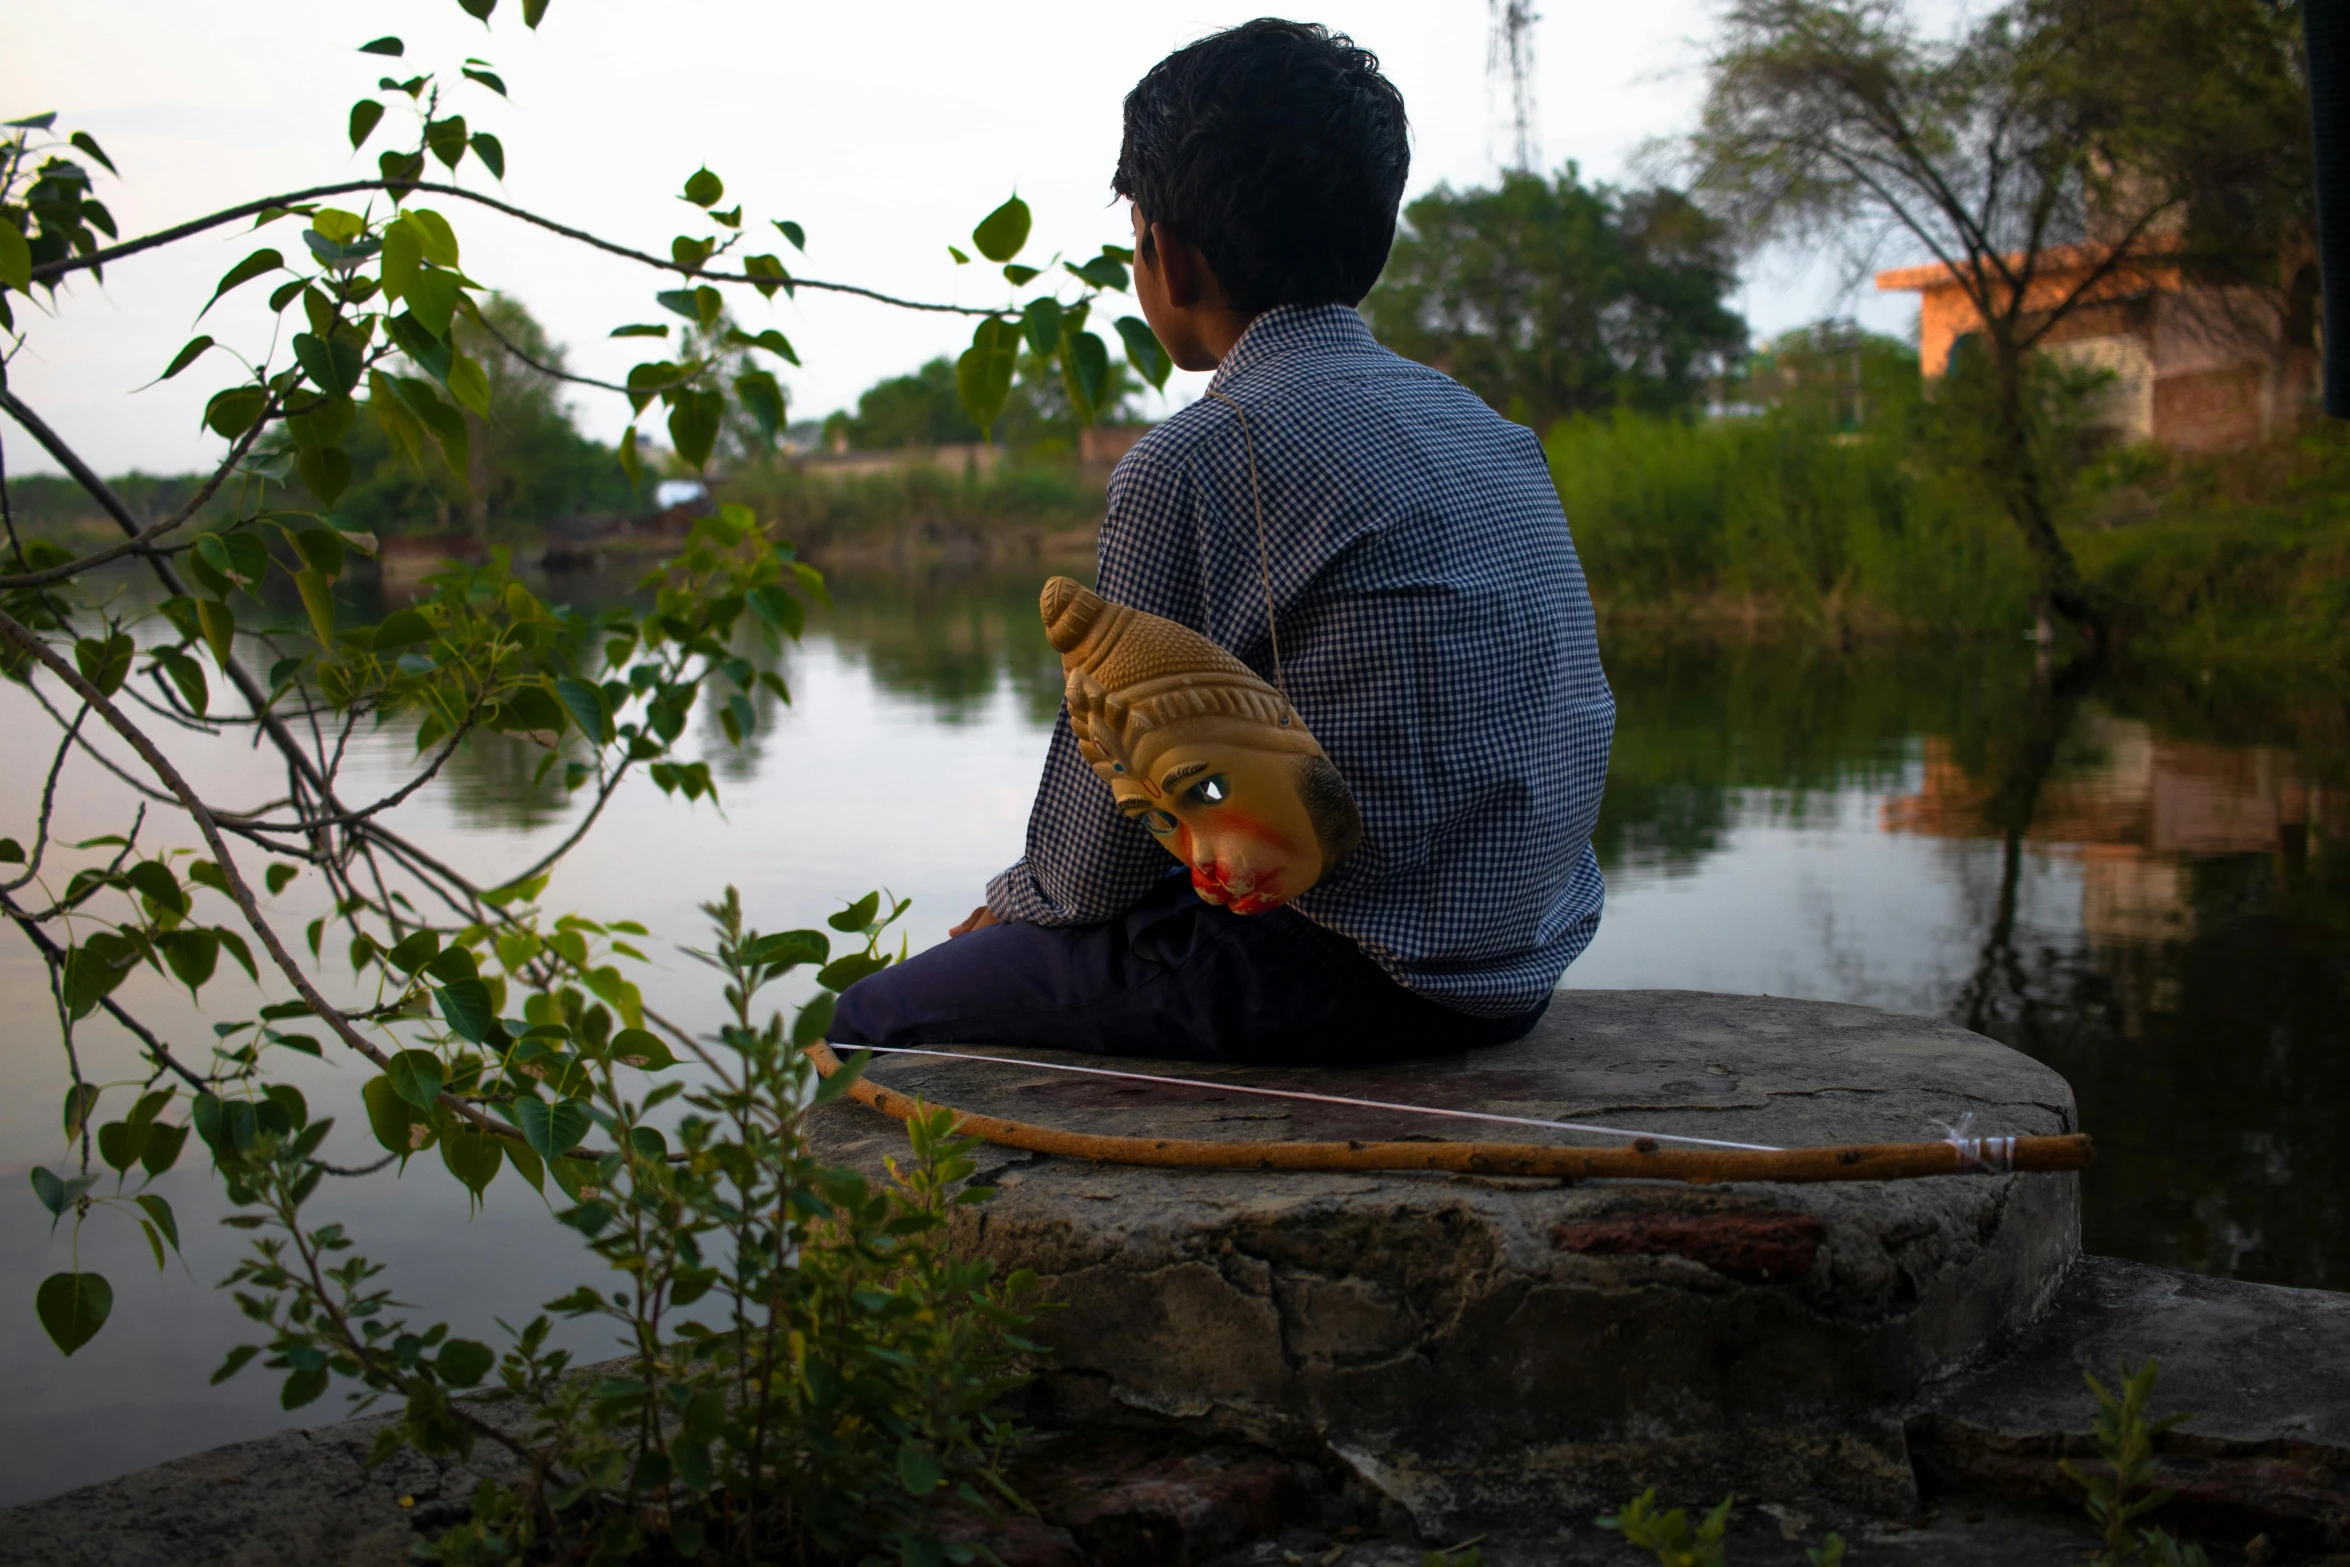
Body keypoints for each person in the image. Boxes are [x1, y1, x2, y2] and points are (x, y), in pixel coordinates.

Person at [827, 18, 1615, 1065]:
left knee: (876, 1018)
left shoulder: (1197, 459)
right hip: (1520, 958)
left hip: (1359, 972)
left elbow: (1090, 856)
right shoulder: (1483, 428)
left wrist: (1016, 910)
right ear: (1367, 236)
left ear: (1170, 256)